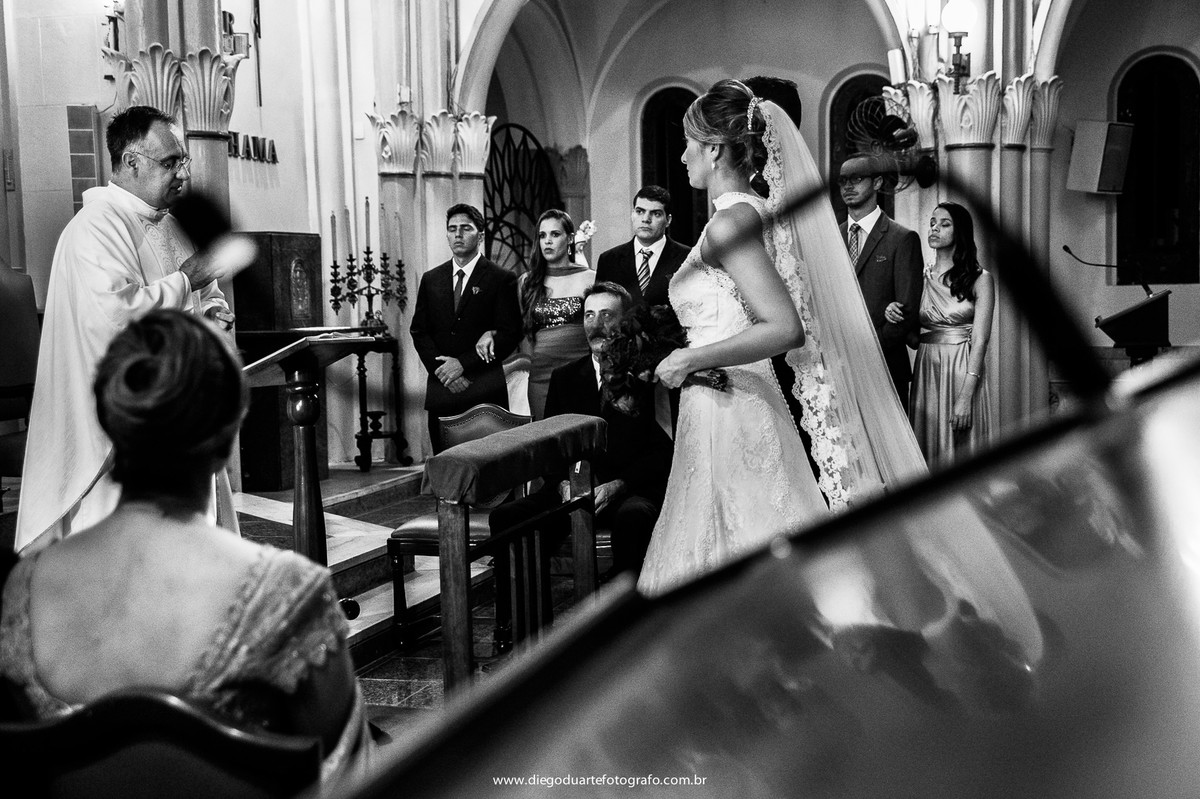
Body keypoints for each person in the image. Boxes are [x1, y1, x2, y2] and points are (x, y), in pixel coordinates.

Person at [634, 83, 1043, 679]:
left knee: (744, 547)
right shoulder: (752, 212)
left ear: (717, 150)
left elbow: (784, 327)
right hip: (722, 401)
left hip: (731, 405)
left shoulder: (731, 223)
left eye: (689, 145)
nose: (682, 158)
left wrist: (688, 360)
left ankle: (770, 676)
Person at [0, 310, 372, 787]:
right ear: (225, 438)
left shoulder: (19, 591)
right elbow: (354, 781)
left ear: (112, 429)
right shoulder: (288, 595)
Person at [15, 105, 241, 555]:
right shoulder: (93, 230)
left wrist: (211, 316)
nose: (182, 173)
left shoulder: (174, 228)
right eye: (170, 162)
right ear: (132, 161)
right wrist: (186, 282)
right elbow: (115, 319)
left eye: (183, 161)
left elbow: (207, 296)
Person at [489, 282, 673, 579]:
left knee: (635, 517)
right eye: (588, 316)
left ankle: (622, 614)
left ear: (625, 321)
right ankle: (518, 619)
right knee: (506, 517)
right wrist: (563, 484)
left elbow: (662, 452)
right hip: (571, 490)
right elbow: (550, 445)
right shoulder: (565, 377)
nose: (596, 325)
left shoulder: (648, 375)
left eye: (606, 315)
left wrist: (618, 486)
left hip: (628, 490)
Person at [411, 203, 521, 453]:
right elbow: (419, 331)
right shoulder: (431, 279)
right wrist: (444, 371)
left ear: (480, 235)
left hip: (483, 389)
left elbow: (509, 334)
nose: (458, 234)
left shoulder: (501, 278)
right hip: (442, 391)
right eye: (452, 229)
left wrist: (463, 365)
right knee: (447, 469)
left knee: (488, 467)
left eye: (465, 228)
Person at [891, 202, 994, 465]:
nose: (935, 228)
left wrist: (966, 395)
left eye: (944, 224)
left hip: (961, 367)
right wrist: (893, 310)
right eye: (933, 223)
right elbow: (912, 332)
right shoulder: (922, 276)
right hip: (927, 369)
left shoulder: (980, 279)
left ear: (960, 232)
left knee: (961, 450)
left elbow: (981, 340)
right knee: (926, 448)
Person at [838, 154, 924, 413]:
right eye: (843, 181)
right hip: (838, 366)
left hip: (884, 364)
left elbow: (905, 312)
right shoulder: (832, 236)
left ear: (876, 183)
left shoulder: (902, 239)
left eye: (857, 179)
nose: (848, 187)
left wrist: (867, 352)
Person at [516, 209, 595, 420]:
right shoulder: (527, 282)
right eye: (542, 236)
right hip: (540, 376)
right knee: (544, 441)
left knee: (578, 441)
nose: (547, 241)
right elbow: (523, 333)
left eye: (555, 234)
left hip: (579, 374)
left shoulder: (590, 278)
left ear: (570, 239)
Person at [595, 185, 690, 307]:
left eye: (656, 214)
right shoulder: (608, 260)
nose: (645, 219)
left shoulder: (688, 258)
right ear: (632, 214)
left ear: (668, 220)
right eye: (640, 212)